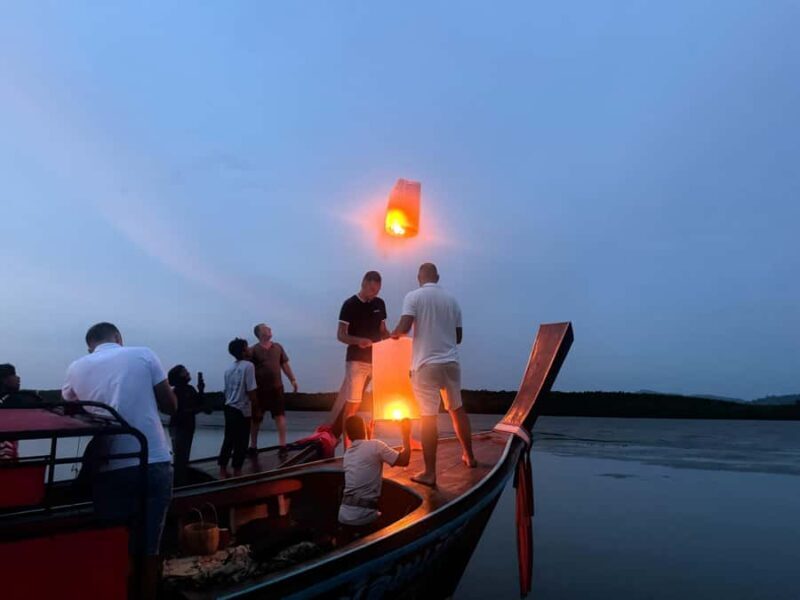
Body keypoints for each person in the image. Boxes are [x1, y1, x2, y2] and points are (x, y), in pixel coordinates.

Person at [61, 322, 177, 598]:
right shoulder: (144, 354)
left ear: (90, 346)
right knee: (149, 548)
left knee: (115, 545)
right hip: (153, 460)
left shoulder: (76, 367)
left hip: (109, 466)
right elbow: (170, 406)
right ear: (118, 337)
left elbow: (69, 408)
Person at [391, 263, 476, 487]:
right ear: (437, 277)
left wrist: (394, 333)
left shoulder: (413, 296)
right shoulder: (452, 301)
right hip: (451, 364)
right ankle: (469, 456)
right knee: (457, 409)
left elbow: (404, 326)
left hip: (426, 365)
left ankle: (430, 473)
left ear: (419, 277)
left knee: (428, 417)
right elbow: (458, 337)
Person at [336, 271, 390, 446]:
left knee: (379, 403)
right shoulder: (349, 304)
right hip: (356, 361)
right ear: (364, 283)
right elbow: (341, 335)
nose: (374, 294)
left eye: (377, 290)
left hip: (378, 359)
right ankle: (348, 449)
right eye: (372, 289)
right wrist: (359, 341)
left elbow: (383, 331)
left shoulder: (380, 304)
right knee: (353, 404)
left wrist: (393, 340)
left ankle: (370, 443)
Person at [338, 415, 411, 534]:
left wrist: (368, 436)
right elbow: (404, 460)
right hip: (363, 517)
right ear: (363, 429)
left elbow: (365, 453)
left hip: (343, 515)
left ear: (348, 435)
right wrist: (406, 433)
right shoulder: (376, 446)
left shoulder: (347, 455)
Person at [249, 324, 297, 453]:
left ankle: (282, 445)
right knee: (256, 418)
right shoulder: (253, 350)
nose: (269, 329)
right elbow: (248, 369)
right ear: (259, 333)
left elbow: (284, 364)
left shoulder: (278, 347)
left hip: (276, 388)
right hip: (259, 390)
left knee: (279, 415)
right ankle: (253, 446)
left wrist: (292, 379)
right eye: (266, 328)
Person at [218, 338, 257, 474]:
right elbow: (251, 390)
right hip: (241, 409)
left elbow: (226, 391)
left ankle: (222, 468)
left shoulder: (228, 369)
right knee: (241, 441)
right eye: (247, 347)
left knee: (229, 439)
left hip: (229, 407)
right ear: (243, 351)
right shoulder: (249, 366)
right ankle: (237, 471)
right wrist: (256, 407)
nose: (249, 349)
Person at [167, 365, 206, 485]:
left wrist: (201, 390)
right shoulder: (176, 391)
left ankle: (181, 481)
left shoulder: (190, 389)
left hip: (187, 426)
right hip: (179, 426)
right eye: (184, 372)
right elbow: (181, 411)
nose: (188, 373)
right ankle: (179, 483)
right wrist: (198, 409)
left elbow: (198, 403)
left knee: (183, 455)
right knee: (180, 456)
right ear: (179, 376)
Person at [0, 364, 21, 460]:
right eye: (14, 374)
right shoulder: (14, 400)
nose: (18, 378)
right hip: (6, 454)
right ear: (4, 379)